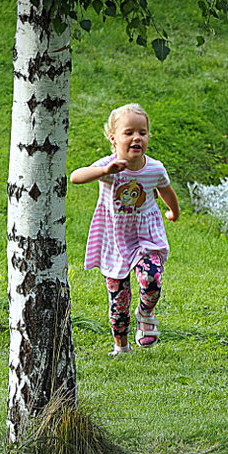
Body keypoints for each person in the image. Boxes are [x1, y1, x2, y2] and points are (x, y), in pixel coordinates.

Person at [70, 103, 181, 357]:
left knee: (151, 278)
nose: (136, 138)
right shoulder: (110, 167)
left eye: (142, 132)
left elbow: (166, 190)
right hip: (114, 238)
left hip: (145, 236)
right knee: (118, 298)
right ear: (114, 138)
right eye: (128, 132)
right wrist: (103, 171)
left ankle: (145, 313)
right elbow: (76, 176)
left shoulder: (154, 168)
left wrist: (173, 212)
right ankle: (121, 346)